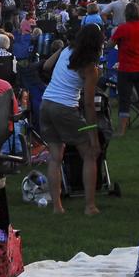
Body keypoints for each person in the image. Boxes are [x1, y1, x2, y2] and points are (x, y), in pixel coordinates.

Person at [39, 24, 105, 216]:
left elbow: (46, 66)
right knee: (90, 154)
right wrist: (93, 134)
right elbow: (89, 104)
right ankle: (90, 206)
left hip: (46, 103)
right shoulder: (90, 67)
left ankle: (57, 207)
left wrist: (62, 48)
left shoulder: (67, 50)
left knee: (55, 157)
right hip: (65, 108)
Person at [110, 1, 139, 137]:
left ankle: (122, 129)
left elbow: (110, 44)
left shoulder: (122, 29)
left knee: (124, 99)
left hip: (126, 68)